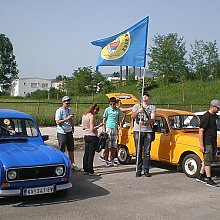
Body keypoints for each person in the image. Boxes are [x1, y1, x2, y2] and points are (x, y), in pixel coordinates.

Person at [131, 90, 156, 177]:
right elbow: (132, 116)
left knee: (147, 152)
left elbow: (153, 119)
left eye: (147, 95)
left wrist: (145, 123)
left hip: (148, 131)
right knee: (138, 151)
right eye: (144, 95)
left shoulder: (152, 107)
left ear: (149, 98)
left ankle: (146, 170)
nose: (145, 96)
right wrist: (138, 111)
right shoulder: (136, 106)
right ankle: (138, 170)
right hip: (138, 131)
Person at [196, 99, 220, 187]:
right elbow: (201, 131)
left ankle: (200, 176)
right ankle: (209, 179)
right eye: (218, 108)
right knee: (208, 162)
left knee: (208, 159)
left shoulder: (215, 116)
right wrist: (202, 145)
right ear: (213, 107)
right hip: (207, 142)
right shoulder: (206, 117)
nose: (218, 110)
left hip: (213, 141)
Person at [55, 96, 80, 171]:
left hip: (69, 131)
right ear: (63, 102)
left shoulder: (69, 110)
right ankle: (61, 163)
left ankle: (72, 163)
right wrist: (67, 119)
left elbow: (71, 119)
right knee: (62, 148)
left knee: (71, 148)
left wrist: (72, 126)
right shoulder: (59, 111)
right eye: (66, 103)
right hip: (62, 132)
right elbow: (57, 122)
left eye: (69, 103)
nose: (68, 104)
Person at [82, 103, 103, 176]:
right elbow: (92, 129)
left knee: (86, 153)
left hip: (86, 135)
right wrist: (99, 125)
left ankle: (85, 168)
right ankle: (91, 171)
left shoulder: (84, 115)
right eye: (96, 111)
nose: (97, 112)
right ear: (94, 109)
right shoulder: (91, 116)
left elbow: (83, 127)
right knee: (91, 154)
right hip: (92, 136)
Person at [102, 97, 123, 167]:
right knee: (108, 145)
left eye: (114, 104)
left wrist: (120, 127)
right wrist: (103, 128)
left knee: (114, 146)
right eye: (111, 104)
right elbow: (104, 119)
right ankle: (106, 160)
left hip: (115, 128)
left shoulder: (118, 110)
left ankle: (112, 160)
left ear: (116, 104)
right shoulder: (107, 110)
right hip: (108, 128)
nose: (112, 105)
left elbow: (120, 120)